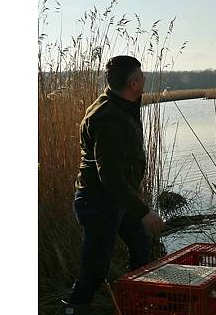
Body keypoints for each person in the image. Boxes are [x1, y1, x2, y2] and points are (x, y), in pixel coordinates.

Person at [63, 56, 164, 314]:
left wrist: (134, 193)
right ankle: (73, 309)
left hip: (118, 198)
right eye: (141, 76)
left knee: (142, 247)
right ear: (132, 83)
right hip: (98, 201)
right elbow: (109, 176)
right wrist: (144, 211)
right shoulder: (110, 117)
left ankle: (136, 303)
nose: (145, 79)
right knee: (95, 271)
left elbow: (121, 168)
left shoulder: (121, 103)